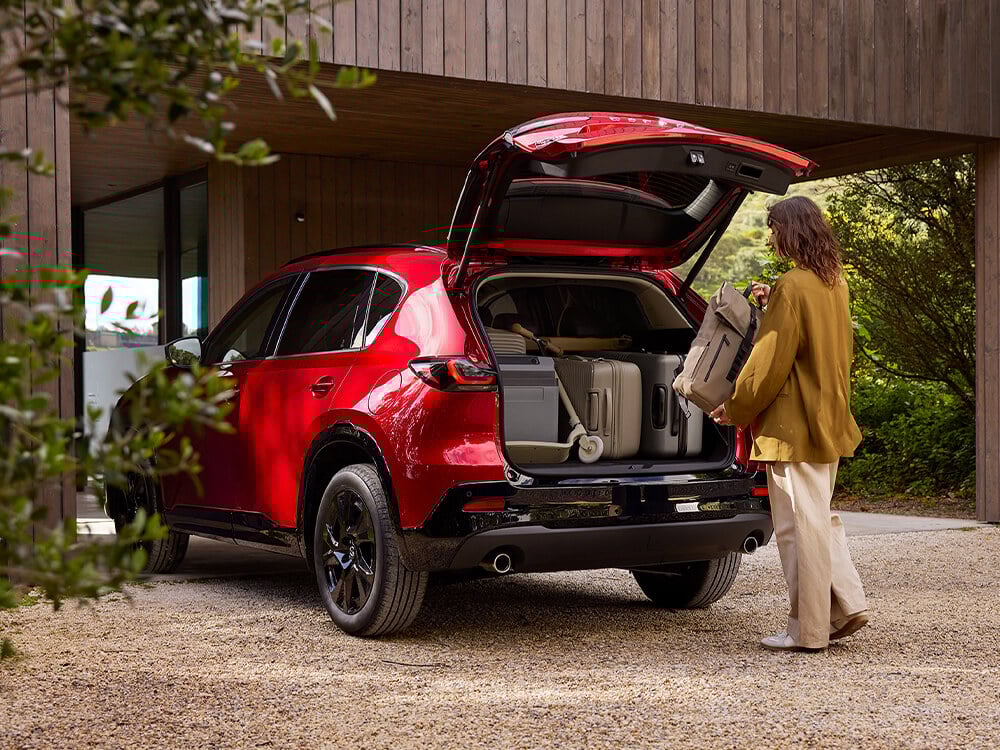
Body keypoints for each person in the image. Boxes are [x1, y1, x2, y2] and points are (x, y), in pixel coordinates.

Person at [709, 196, 868, 652]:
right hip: (830, 418)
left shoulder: (792, 286)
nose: (772, 237)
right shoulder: (832, 283)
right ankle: (846, 606)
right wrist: (770, 298)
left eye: (775, 229)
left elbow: (769, 363)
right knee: (818, 519)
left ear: (791, 232)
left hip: (793, 426)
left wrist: (735, 409)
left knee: (799, 528)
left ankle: (808, 630)